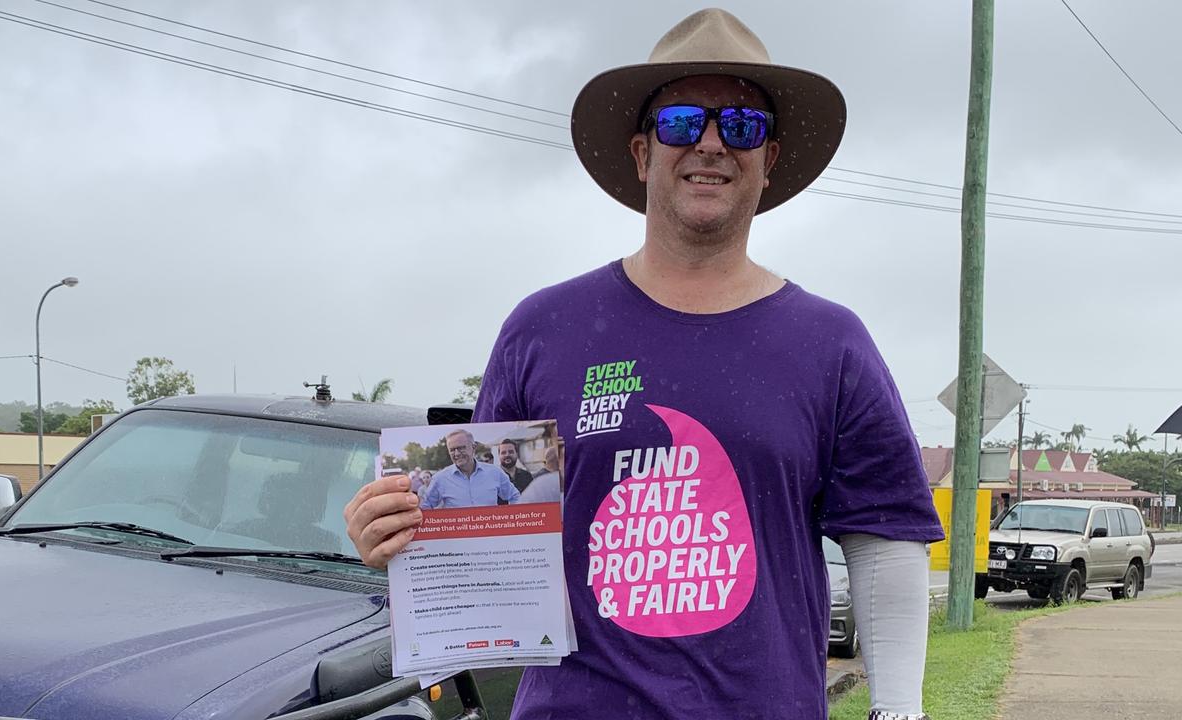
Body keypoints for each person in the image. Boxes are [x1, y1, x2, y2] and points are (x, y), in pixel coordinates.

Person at [346, 9, 941, 720]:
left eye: (742, 126)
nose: (712, 144)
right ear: (641, 152)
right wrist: (398, 540)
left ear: (769, 159)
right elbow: (491, 534)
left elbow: (884, 540)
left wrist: (898, 709)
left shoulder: (832, 343)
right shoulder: (542, 330)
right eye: (684, 122)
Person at [420, 429, 521, 509]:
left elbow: (515, 496)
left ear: (474, 447)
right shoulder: (440, 479)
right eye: (452, 450)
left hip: (490, 533)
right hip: (457, 534)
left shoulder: (495, 473)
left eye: (461, 448)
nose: (457, 454)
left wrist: (510, 521)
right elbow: (425, 506)